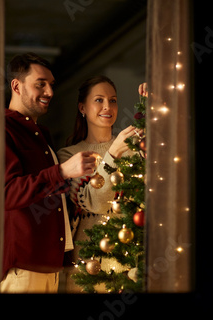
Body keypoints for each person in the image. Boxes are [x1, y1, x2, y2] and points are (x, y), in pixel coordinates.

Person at [2, 53, 99, 293]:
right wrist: (63, 170)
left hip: (50, 267)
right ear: (16, 86)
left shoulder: (41, 134)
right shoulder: (2, 128)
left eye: (51, 85)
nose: (50, 92)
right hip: (23, 268)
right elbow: (7, 194)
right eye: (40, 84)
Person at [57, 75, 142, 293]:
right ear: (82, 107)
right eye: (99, 100)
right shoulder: (69, 155)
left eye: (113, 100)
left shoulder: (133, 150)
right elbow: (95, 202)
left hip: (130, 265)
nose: (107, 106)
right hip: (86, 268)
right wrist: (113, 154)